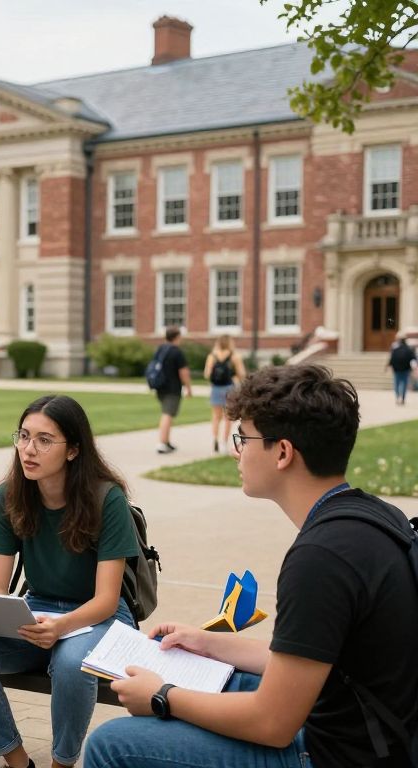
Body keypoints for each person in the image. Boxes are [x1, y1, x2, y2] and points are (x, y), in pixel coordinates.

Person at [84, 364, 418, 768]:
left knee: (112, 744)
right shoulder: (368, 515)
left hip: (337, 753)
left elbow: (273, 723)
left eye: (243, 438)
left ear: (282, 452)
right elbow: (306, 657)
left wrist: (162, 695)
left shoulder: (321, 558)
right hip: (370, 725)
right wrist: (207, 643)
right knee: (225, 674)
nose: (235, 450)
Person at [0, 394, 140, 768]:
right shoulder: (9, 495)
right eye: (23, 436)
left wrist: (62, 626)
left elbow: (106, 598)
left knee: (71, 664)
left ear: (73, 451)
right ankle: (18, 762)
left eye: (44, 440)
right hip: (38, 610)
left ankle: (61, 763)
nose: (28, 450)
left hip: (101, 617)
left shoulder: (107, 499)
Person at [202, 334, 246, 453]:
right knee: (228, 417)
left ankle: (214, 439)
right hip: (229, 388)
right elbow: (242, 373)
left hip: (216, 388)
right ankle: (223, 443)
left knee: (216, 417)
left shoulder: (212, 356)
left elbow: (206, 374)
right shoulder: (234, 356)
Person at [153, 326, 192, 454]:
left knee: (167, 413)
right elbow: (184, 372)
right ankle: (162, 443)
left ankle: (167, 442)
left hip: (160, 387)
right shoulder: (176, 351)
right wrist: (188, 388)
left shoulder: (161, 349)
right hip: (172, 388)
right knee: (167, 414)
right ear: (177, 337)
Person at [386, 331, 416, 405]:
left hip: (396, 370)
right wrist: (414, 368)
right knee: (404, 384)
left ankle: (397, 397)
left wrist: (387, 366)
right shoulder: (409, 350)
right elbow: (413, 359)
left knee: (396, 383)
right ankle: (402, 398)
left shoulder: (395, 349)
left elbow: (391, 359)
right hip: (405, 370)